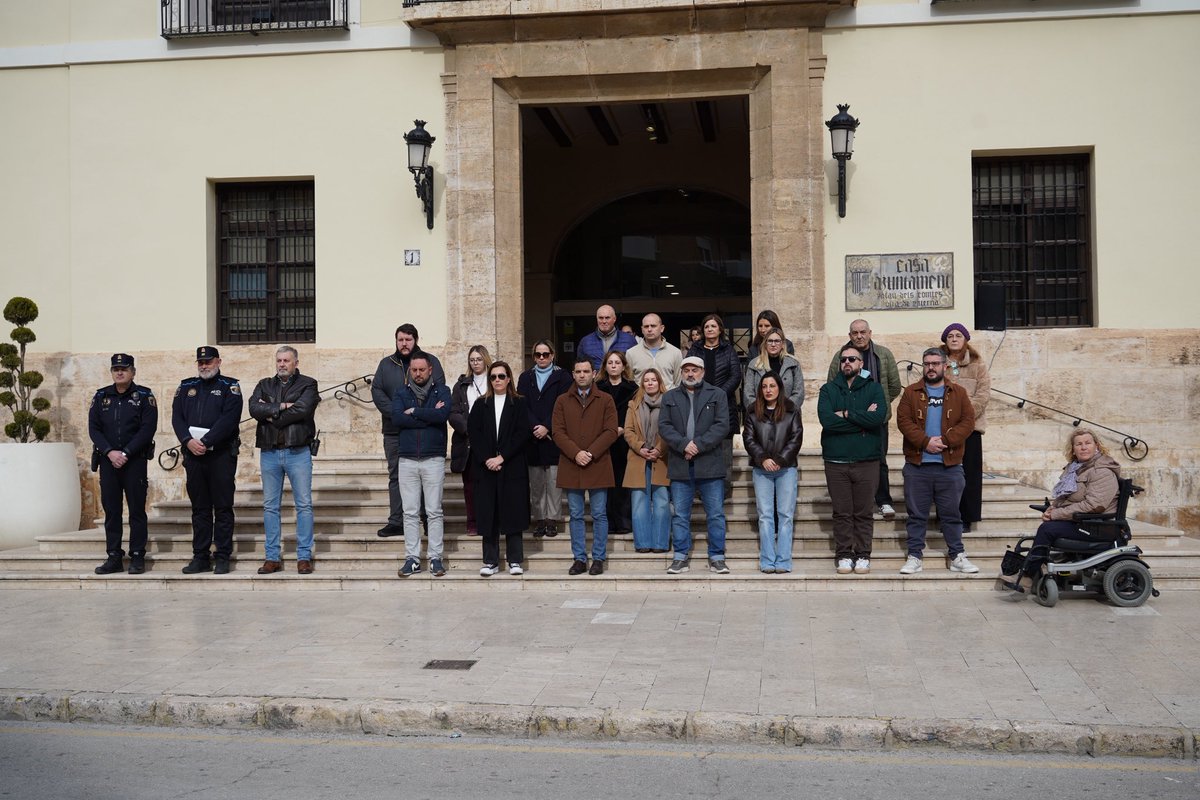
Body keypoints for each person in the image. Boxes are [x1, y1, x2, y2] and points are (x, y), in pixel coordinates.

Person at [1004, 429, 1121, 594]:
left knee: (1047, 530)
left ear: (1097, 446)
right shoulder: (1075, 469)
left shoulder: (1102, 471)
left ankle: (1028, 576)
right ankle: (1037, 567)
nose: (1083, 447)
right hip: (1083, 522)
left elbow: (1094, 505)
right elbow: (1066, 497)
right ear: (1073, 449)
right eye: (1079, 444)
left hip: (1098, 526)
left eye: (1088, 443)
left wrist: (1057, 514)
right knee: (1048, 527)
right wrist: (1052, 508)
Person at [896, 348, 979, 575]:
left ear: (944, 365)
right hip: (917, 465)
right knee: (916, 516)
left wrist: (945, 441)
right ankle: (914, 556)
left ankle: (957, 556)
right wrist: (925, 442)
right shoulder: (911, 392)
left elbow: (968, 421)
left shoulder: (958, 393)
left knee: (952, 515)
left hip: (949, 466)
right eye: (927, 363)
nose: (930, 367)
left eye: (935, 363)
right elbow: (903, 421)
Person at [171, 346, 243, 575]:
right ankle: (200, 556)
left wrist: (207, 441)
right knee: (200, 508)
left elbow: (230, 419)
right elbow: (177, 417)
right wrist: (187, 440)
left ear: (218, 362)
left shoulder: (229, 387)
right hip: (193, 455)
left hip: (220, 455)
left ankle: (222, 555)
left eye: (208, 362)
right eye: (200, 362)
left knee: (222, 507)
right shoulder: (186, 387)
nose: (204, 366)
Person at [248, 345, 320, 575]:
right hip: (269, 452)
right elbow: (253, 408)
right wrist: (281, 406)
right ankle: (272, 557)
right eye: (279, 360)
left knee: (304, 505)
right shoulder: (264, 384)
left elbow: (304, 409)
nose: (282, 364)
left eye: (286, 360)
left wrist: (273, 416)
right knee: (270, 506)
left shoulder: (308, 384)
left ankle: (304, 556)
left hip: (298, 451)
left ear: (295, 362)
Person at [658, 356, 731, 574]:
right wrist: (684, 445)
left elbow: (722, 425)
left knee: (716, 514)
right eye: (687, 370)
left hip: (710, 464)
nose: (691, 373)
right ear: (681, 372)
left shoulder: (717, 395)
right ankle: (680, 557)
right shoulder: (670, 396)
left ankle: (717, 557)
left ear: (703, 371)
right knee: (680, 514)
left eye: (695, 369)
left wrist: (697, 445)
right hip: (681, 464)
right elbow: (664, 426)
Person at [817, 347, 887, 575]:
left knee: (864, 511)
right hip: (836, 461)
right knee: (842, 512)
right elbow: (827, 421)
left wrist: (846, 414)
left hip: (867, 461)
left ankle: (863, 555)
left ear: (861, 364)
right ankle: (845, 554)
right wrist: (861, 418)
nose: (847, 362)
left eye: (852, 359)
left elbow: (878, 417)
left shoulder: (874, 388)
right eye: (843, 359)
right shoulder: (828, 390)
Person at [371, 324, 444, 539]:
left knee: (423, 476)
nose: (404, 344)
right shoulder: (386, 365)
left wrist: (414, 414)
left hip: (425, 432)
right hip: (394, 431)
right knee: (396, 475)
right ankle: (397, 520)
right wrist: (397, 414)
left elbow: (437, 391)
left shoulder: (431, 362)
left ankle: (428, 520)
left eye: (408, 340)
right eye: (401, 339)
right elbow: (377, 391)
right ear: (396, 341)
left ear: (416, 340)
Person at [88, 353, 158, 575]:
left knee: (137, 510)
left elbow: (148, 429)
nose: (120, 372)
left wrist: (126, 452)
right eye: (116, 369)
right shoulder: (101, 397)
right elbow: (94, 429)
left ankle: (137, 556)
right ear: (111, 372)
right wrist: (110, 452)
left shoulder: (144, 396)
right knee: (112, 510)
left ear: (133, 372)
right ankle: (114, 556)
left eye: (124, 369)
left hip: (134, 461)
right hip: (108, 462)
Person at [826, 319, 902, 520]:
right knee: (853, 463)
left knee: (880, 460)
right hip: (848, 422)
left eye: (863, 332)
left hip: (877, 421)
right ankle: (857, 502)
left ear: (870, 332)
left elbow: (894, 386)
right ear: (849, 335)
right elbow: (832, 385)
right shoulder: (841, 357)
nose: (859, 336)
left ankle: (883, 501)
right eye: (855, 333)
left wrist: (879, 405)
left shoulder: (883, 355)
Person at [553, 357, 619, 575]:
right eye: (578, 371)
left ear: (594, 373)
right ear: (573, 374)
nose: (582, 375)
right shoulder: (562, 400)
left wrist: (590, 452)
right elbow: (558, 432)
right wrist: (576, 453)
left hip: (597, 462)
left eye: (586, 371)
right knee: (576, 514)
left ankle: (598, 558)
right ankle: (579, 558)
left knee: (599, 514)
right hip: (572, 463)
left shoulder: (606, 399)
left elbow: (611, 431)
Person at [467, 360, 532, 577]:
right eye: (493, 377)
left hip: (512, 466)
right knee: (489, 514)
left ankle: (514, 560)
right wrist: (487, 458)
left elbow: (523, 434)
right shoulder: (480, 404)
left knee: (513, 512)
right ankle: (491, 561)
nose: (497, 380)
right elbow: (474, 433)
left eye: (501, 376)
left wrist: (502, 457)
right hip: (486, 469)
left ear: (509, 378)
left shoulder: (519, 403)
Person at [392, 354, 451, 577]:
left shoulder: (442, 391)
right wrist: (429, 414)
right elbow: (397, 418)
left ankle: (436, 558)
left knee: (434, 511)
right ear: (410, 372)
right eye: (414, 370)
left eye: (422, 370)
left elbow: (442, 415)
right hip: (407, 459)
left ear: (430, 371)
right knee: (410, 512)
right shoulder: (401, 393)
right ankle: (412, 558)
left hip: (433, 458)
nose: (418, 373)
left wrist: (415, 412)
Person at [743, 372, 804, 573]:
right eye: (764, 386)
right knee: (765, 515)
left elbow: (796, 437)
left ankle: (784, 560)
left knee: (785, 515)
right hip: (762, 470)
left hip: (785, 469)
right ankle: (767, 560)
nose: (768, 390)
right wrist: (763, 459)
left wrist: (779, 460)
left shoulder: (791, 410)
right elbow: (749, 439)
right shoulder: (752, 412)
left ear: (779, 388)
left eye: (772, 386)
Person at [517, 339, 573, 538]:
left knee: (554, 480)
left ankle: (552, 519)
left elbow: (564, 404)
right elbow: (522, 404)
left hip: (553, 436)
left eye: (545, 354)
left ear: (552, 355)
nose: (542, 358)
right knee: (537, 482)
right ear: (533, 357)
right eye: (538, 355)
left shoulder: (563, 376)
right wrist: (535, 426)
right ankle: (540, 519)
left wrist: (547, 426)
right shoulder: (525, 377)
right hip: (532, 438)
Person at [939, 323, 991, 532]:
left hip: (971, 428)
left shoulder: (978, 365)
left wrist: (966, 416)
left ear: (965, 339)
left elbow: (984, 394)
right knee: (945, 474)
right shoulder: (939, 363)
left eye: (958, 335)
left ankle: (967, 517)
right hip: (944, 429)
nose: (954, 339)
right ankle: (946, 517)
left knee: (970, 474)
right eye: (949, 335)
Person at [686, 313, 741, 495]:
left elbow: (735, 376)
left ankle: (724, 490)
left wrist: (717, 394)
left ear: (720, 329)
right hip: (698, 405)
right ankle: (700, 490)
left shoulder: (729, 350)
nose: (710, 329)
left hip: (723, 405)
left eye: (713, 326)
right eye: (707, 326)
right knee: (700, 447)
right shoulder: (695, 349)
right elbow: (688, 373)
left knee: (724, 450)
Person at [623, 368, 671, 554]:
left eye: (653, 380)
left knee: (661, 501)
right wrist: (640, 447)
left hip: (661, 458)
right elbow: (628, 431)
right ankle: (642, 543)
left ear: (660, 383)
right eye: (646, 380)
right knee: (639, 502)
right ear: (642, 384)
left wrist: (659, 448)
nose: (650, 383)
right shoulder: (633, 405)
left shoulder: (670, 404)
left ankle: (659, 543)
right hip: (638, 458)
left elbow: (671, 429)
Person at [449, 345, 492, 536]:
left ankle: (489, 519)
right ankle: (472, 520)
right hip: (467, 442)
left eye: (479, 359)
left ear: (485, 360)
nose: (475, 363)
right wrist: (469, 430)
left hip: (490, 440)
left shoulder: (495, 380)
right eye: (472, 359)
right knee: (470, 485)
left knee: (489, 484)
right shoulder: (461, 385)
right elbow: (454, 412)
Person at [595, 350, 637, 535]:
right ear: (605, 366)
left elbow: (635, 413)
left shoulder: (633, 388)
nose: (613, 366)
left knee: (622, 483)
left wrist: (622, 428)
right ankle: (608, 521)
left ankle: (624, 521)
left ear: (623, 366)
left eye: (617, 362)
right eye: (610, 363)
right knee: (606, 482)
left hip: (624, 440)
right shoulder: (597, 387)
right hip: (603, 440)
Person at [744, 326, 804, 413]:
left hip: (788, 415)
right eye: (770, 341)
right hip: (760, 416)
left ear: (783, 344)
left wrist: (784, 410)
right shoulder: (754, 365)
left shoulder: (793, 364)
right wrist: (762, 411)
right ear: (765, 343)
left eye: (777, 341)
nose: (773, 344)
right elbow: (748, 394)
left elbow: (799, 393)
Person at [625, 313, 682, 389]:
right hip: (641, 399)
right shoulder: (631, 353)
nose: (649, 329)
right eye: (646, 326)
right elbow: (629, 382)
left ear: (662, 328)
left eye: (653, 326)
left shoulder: (675, 353)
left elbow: (678, 383)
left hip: (668, 399)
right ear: (642, 329)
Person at [577, 304, 638, 371]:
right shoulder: (586, 342)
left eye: (607, 318)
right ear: (596, 319)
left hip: (621, 380)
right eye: (601, 318)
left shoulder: (629, 340)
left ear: (614, 319)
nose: (604, 321)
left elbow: (636, 366)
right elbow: (580, 367)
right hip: (595, 381)